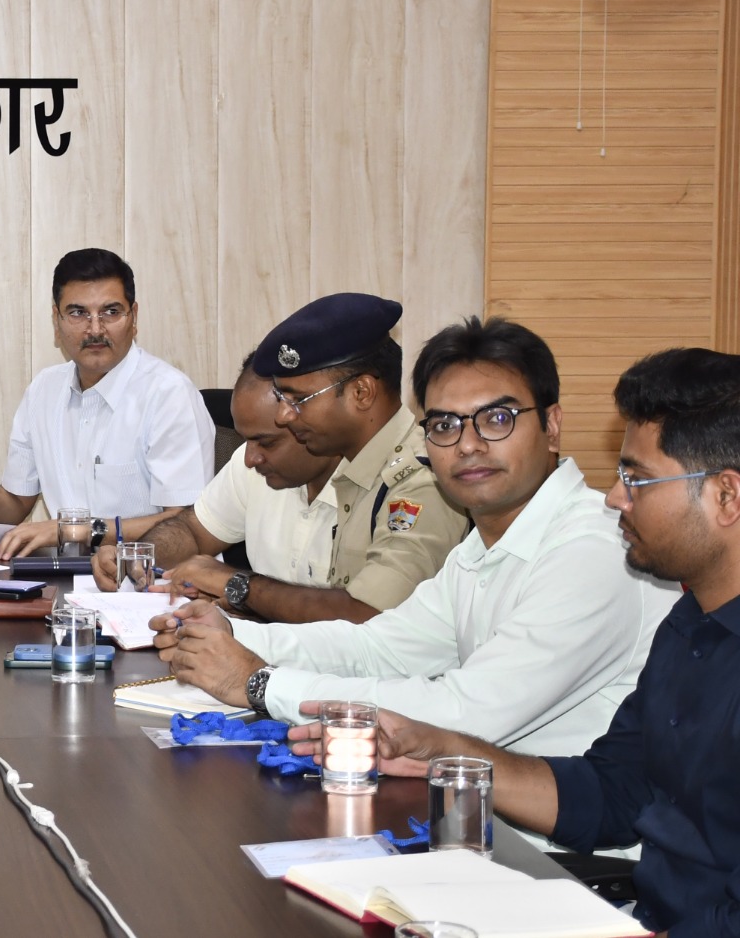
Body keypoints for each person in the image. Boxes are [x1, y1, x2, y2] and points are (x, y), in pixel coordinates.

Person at [288, 348, 740, 936]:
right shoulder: (688, 624)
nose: (614, 497)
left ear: (726, 496)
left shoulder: (593, 555)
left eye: (638, 480)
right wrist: (442, 750)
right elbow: (615, 793)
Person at [150, 317, 678, 768]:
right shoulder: (483, 546)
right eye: (445, 425)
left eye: (497, 419)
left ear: (552, 425)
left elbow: (466, 712)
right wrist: (228, 634)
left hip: (559, 846)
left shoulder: (594, 548)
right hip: (469, 809)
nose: (468, 445)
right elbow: (380, 649)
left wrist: (259, 683)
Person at [205, 292, 468, 622]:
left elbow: (368, 615)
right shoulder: (355, 468)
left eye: (299, 399)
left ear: (361, 393)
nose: (284, 415)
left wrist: (241, 588)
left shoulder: (422, 480)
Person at [0, 248, 215, 560]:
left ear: (134, 318)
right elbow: (17, 498)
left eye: (111, 312)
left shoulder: (169, 394)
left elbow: (186, 523)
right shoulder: (43, 390)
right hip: (66, 575)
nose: (95, 329)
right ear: (56, 322)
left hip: (151, 578)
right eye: (77, 313)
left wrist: (76, 530)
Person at [92, 353, 340, 592]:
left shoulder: (362, 487)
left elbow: (351, 611)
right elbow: (192, 532)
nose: (250, 459)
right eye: (245, 440)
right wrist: (135, 557)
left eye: (266, 442)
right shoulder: (250, 467)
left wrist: (239, 590)